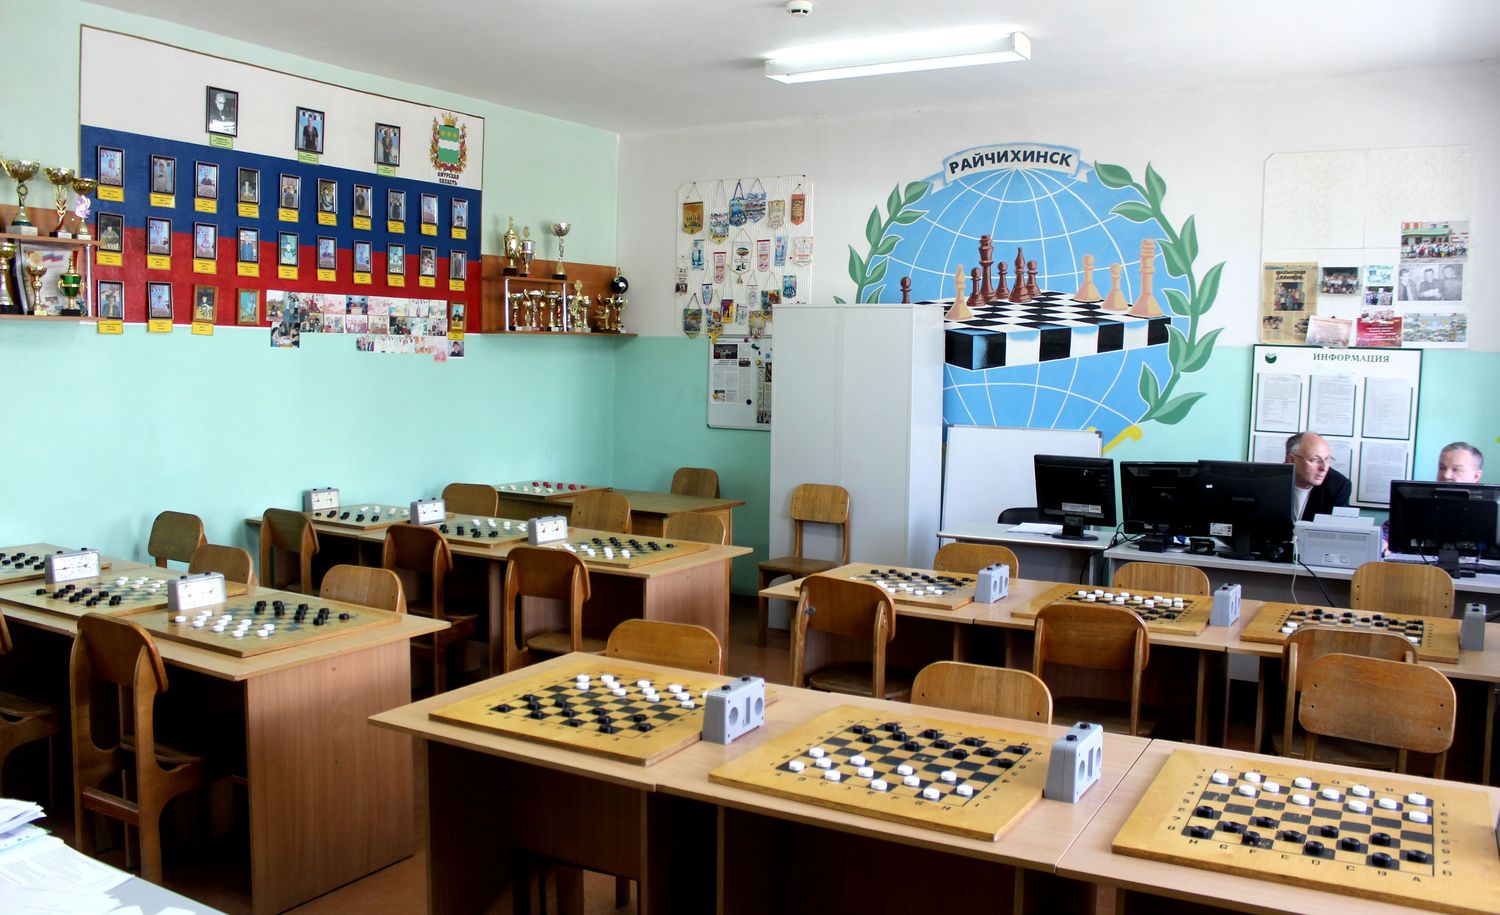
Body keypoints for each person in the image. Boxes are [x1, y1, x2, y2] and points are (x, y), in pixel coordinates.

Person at [1286, 431, 1351, 521]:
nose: (1324, 468)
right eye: (1315, 460)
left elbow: (1339, 526)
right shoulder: (1269, 481)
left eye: (1327, 459)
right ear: (1292, 460)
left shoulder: (1339, 485)